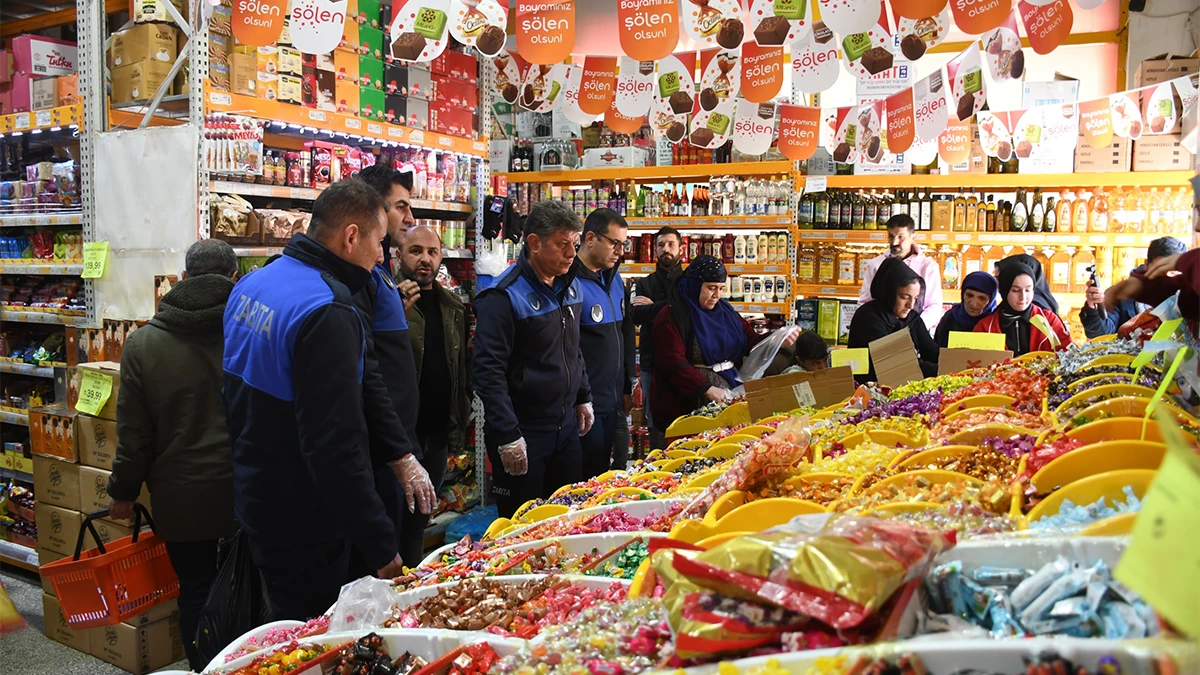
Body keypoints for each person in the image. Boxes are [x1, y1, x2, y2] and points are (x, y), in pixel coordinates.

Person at [223, 180, 407, 621]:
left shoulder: (253, 284)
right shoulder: (326, 309)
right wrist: (381, 544)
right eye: (379, 243)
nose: (382, 257)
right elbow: (335, 445)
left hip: (257, 496)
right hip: (306, 518)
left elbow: (231, 396)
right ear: (350, 236)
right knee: (315, 639)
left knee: (283, 627)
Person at [106, 240, 240, 672]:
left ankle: (204, 668)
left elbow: (135, 435)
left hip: (182, 498)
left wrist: (123, 494)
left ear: (182, 279)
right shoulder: (251, 331)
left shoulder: (144, 344)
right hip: (248, 489)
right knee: (250, 586)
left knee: (197, 591)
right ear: (234, 279)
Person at [473, 200, 593, 518]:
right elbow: (488, 372)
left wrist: (583, 396)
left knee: (568, 521)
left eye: (575, 244)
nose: (571, 253)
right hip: (524, 433)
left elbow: (572, 348)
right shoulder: (503, 296)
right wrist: (509, 434)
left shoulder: (571, 286)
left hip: (566, 429)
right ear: (535, 243)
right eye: (562, 244)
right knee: (520, 526)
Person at [353, 166, 436, 570]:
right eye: (401, 206)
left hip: (401, 437)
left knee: (412, 537)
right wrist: (399, 455)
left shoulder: (380, 269)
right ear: (375, 207)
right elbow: (366, 371)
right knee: (393, 559)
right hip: (384, 450)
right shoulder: (358, 278)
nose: (409, 217)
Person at [651, 256, 799, 427]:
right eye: (711, 288)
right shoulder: (671, 317)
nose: (717, 295)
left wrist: (777, 339)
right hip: (686, 404)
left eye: (721, 288)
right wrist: (707, 389)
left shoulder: (725, 312)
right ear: (693, 285)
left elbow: (750, 341)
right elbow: (673, 363)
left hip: (728, 394)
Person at [397, 224, 471, 566]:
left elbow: (457, 369)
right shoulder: (388, 302)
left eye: (432, 252)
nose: (425, 259)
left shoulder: (452, 305)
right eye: (416, 251)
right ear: (399, 255)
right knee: (396, 521)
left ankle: (407, 585)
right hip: (400, 438)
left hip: (438, 434)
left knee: (419, 519)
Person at [573, 208, 637, 480]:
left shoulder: (614, 280)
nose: (619, 251)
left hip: (612, 403)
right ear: (590, 238)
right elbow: (569, 348)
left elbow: (625, 333)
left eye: (624, 244)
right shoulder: (569, 281)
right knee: (582, 479)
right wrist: (580, 398)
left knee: (602, 475)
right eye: (614, 243)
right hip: (585, 405)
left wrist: (628, 384)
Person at [630, 226, 683, 449]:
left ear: (681, 248)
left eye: (671, 244)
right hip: (653, 364)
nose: (665, 249)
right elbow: (636, 314)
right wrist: (671, 305)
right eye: (660, 245)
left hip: (684, 362)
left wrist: (656, 306)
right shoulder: (644, 283)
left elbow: (688, 310)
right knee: (655, 422)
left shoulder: (688, 281)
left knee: (685, 419)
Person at [848, 257, 940, 383]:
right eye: (905, 297)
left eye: (916, 298)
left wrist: (955, 362)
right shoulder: (868, 318)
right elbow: (898, 363)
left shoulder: (912, 318)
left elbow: (931, 350)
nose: (911, 305)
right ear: (889, 292)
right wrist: (940, 370)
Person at [1082, 237, 1187, 337]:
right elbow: (1101, 334)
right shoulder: (1124, 293)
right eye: (1159, 270)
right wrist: (1094, 307)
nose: (1166, 278)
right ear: (1146, 265)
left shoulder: (1190, 295)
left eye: (1173, 272)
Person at [858, 214, 943, 330]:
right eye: (891, 236)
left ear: (913, 237)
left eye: (900, 237)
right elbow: (865, 302)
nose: (894, 242)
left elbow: (934, 306)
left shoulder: (929, 267)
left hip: (916, 333)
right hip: (881, 331)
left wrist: (914, 329)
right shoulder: (874, 265)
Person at [974, 262, 1073, 355]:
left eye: (1028, 290)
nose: (1023, 297)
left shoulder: (1049, 320)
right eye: (1016, 290)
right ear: (1004, 290)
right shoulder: (985, 327)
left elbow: (1068, 353)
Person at [934, 271, 999, 347]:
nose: (973, 304)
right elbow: (937, 351)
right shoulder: (950, 318)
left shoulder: (995, 322)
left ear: (990, 300)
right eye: (969, 295)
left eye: (982, 298)